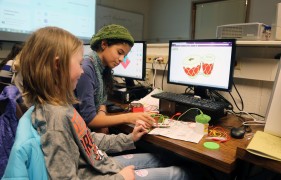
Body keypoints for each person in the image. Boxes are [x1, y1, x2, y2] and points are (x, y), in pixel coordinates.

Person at [19, 26, 190, 179]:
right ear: (58, 65)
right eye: (79, 63)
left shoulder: (60, 107)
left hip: (97, 164)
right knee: (181, 173)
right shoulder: (55, 121)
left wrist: (129, 138)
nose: (81, 70)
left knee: (161, 157)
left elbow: (86, 139)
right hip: (97, 172)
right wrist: (120, 178)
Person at [75, 24, 155, 132]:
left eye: (124, 56)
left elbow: (102, 102)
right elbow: (90, 119)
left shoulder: (103, 68)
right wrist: (129, 117)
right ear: (104, 44)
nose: (122, 59)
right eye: (119, 52)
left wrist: (102, 117)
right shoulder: (87, 69)